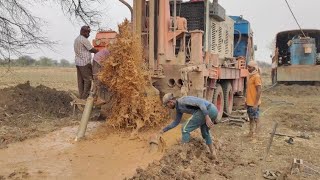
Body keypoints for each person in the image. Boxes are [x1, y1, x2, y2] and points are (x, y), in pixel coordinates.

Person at [74, 25, 99, 99]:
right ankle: (85, 97)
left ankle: (81, 95)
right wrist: (100, 52)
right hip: (84, 63)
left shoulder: (77, 39)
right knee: (88, 80)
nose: (89, 34)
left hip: (78, 63)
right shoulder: (83, 39)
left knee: (81, 80)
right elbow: (91, 49)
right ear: (82, 32)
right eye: (87, 32)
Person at [246, 61, 262, 137]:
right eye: (247, 67)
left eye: (249, 67)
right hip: (249, 102)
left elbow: (259, 91)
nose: (248, 68)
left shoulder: (256, 77)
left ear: (254, 68)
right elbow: (249, 90)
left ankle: (257, 134)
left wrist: (255, 103)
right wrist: (246, 101)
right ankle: (251, 132)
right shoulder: (250, 76)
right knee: (251, 118)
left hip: (254, 103)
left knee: (256, 119)